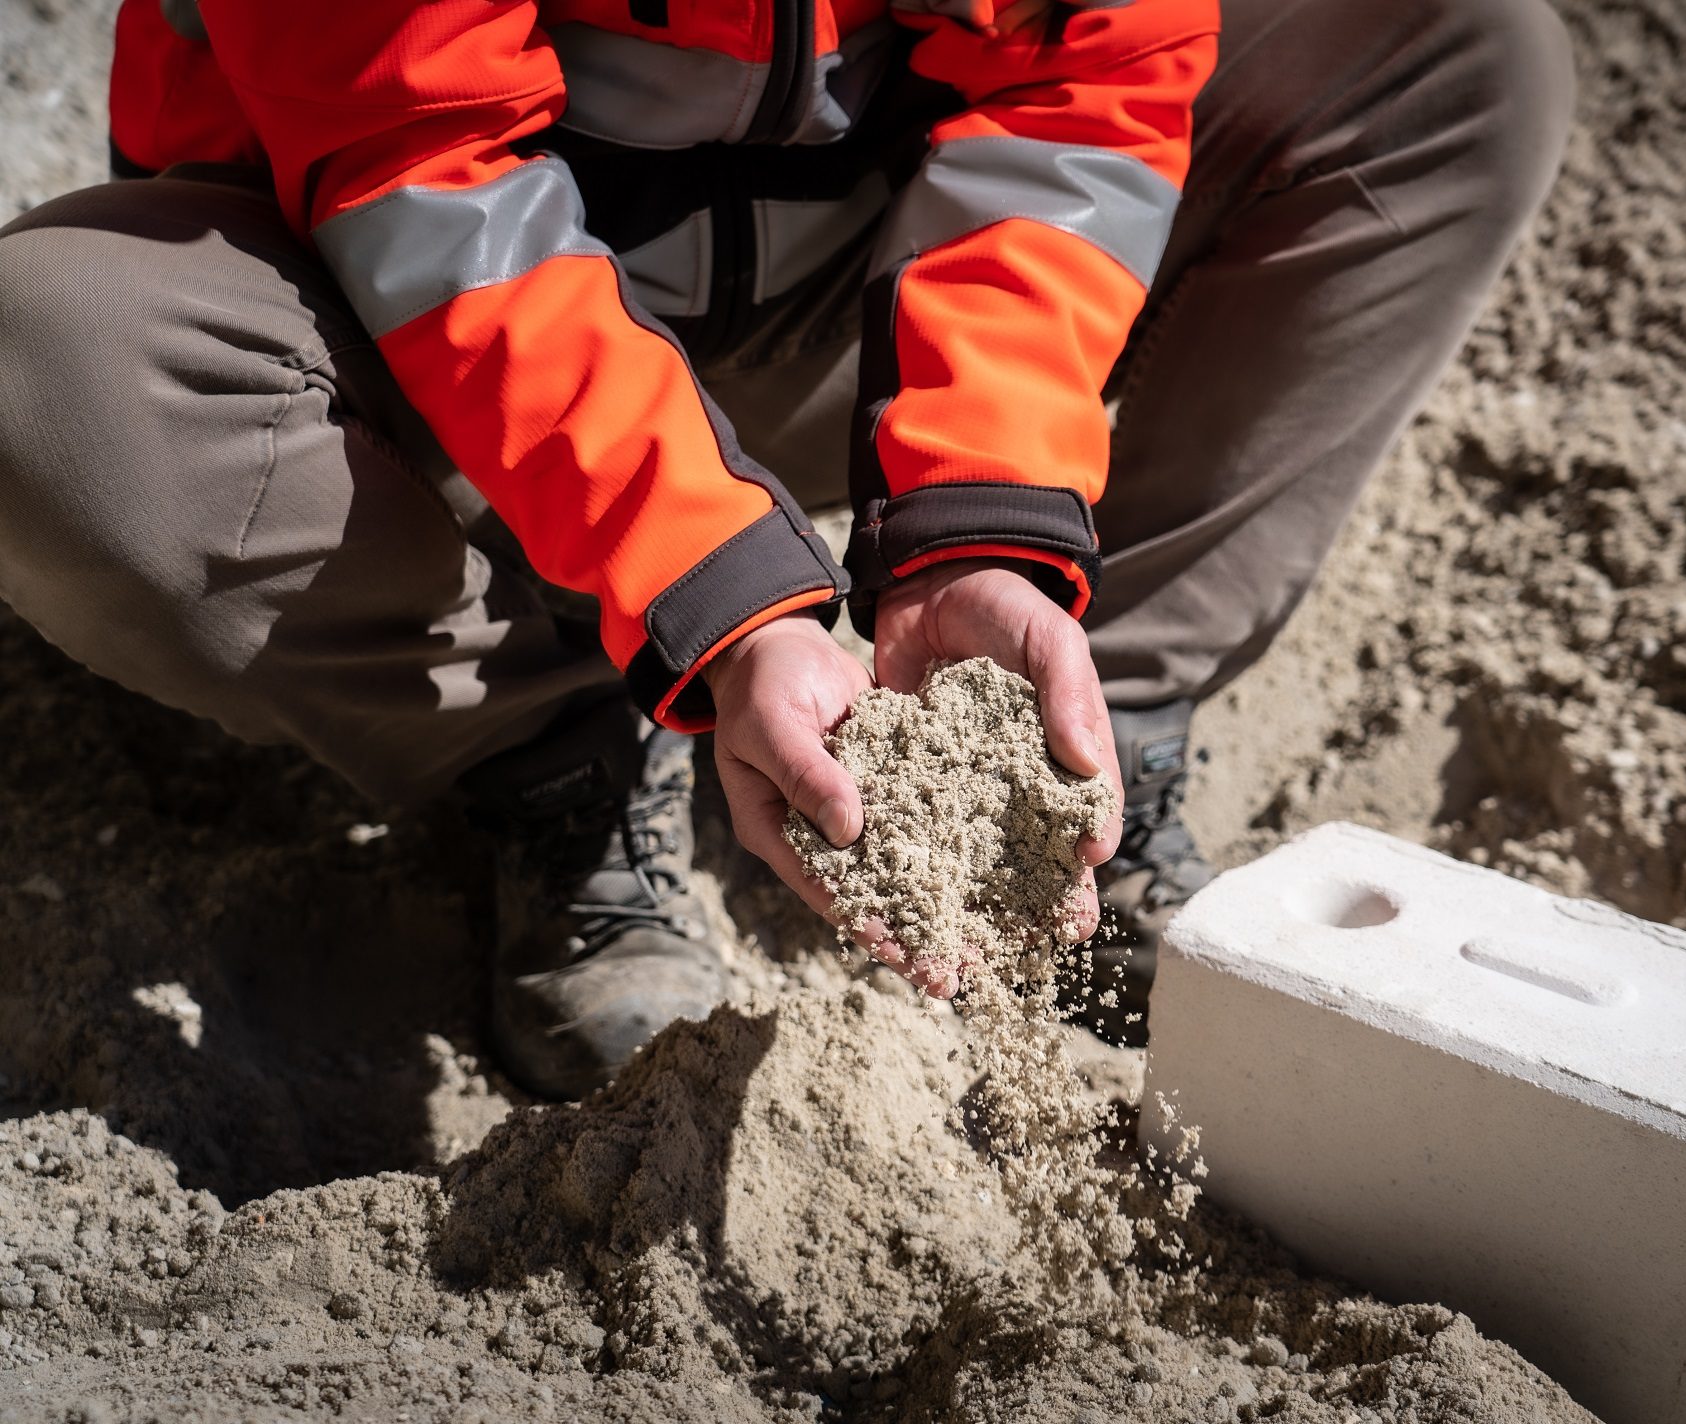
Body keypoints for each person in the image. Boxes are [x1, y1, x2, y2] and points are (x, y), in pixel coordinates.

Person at [0, 0, 1572, 1095]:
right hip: (400, 333)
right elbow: (428, 177)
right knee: (47, 364)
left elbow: (1072, 96)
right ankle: (547, 756)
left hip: (831, 292)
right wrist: (720, 604)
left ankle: (1080, 750)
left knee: (1451, 55)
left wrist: (982, 524)